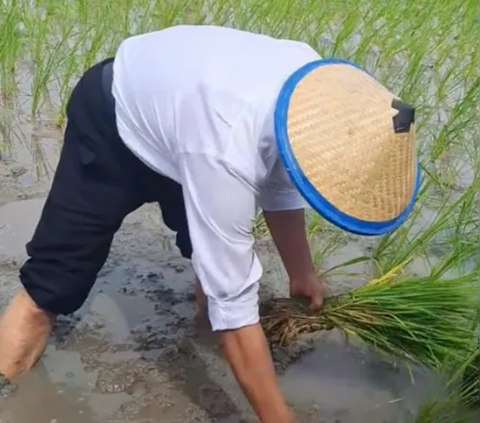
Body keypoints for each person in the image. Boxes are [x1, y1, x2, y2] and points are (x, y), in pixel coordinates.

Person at [0, 25, 418, 423]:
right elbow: (234, 305)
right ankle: (10, 388)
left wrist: (301, 273)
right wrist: (280, 417)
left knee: (209, 263)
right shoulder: (227, 146)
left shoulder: (314, 92)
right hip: (114, 116)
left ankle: (206, 335)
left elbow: (282, 180)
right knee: (51, 289)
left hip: (188, 125)